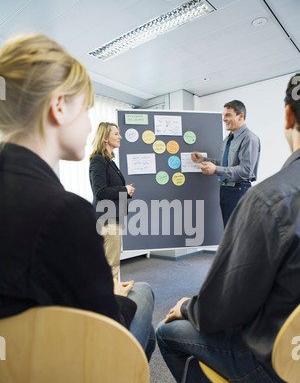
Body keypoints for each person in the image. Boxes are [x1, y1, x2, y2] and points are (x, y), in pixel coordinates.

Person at [156, 74, 300, 383]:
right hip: (293, 348)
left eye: (227, 116)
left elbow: (219, 312)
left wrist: (189, 306)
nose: (224, 121)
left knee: (167, 333)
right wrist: (210, 161)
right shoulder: (234, 143)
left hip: (277, 369)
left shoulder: (270, 200)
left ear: (287, 116)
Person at [0, 33, 155, 362]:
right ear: (58, 107)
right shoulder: (63, 213)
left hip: (10, 374)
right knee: (142, 292)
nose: (88, 125)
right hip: (59, 377)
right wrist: (111, 294)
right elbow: (105, 330)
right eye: (85, 110)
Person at [191, 100, 260, 227]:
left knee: (237, 234)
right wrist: (203, 160)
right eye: (223, 115)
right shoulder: (228, 139)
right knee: (229, 232)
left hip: (239, 191)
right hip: (226, 190)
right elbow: (225, 164)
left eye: (228, 115)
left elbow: (246, 170)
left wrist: (216, 169)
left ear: (240, 116)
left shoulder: (249, 138)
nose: (224, 119)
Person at [89, 122, 134, 280]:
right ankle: (110, 302)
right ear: (105, 138)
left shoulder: (109, 161)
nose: (120, 136)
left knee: (111, 264)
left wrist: (126, 191)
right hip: (107, 220)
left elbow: (110, 189)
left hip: (113, 218)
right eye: (116, 133)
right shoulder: (98, 161)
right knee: (111, 265)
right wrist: (124, 189)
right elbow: (100, 192)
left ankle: (110, 299)